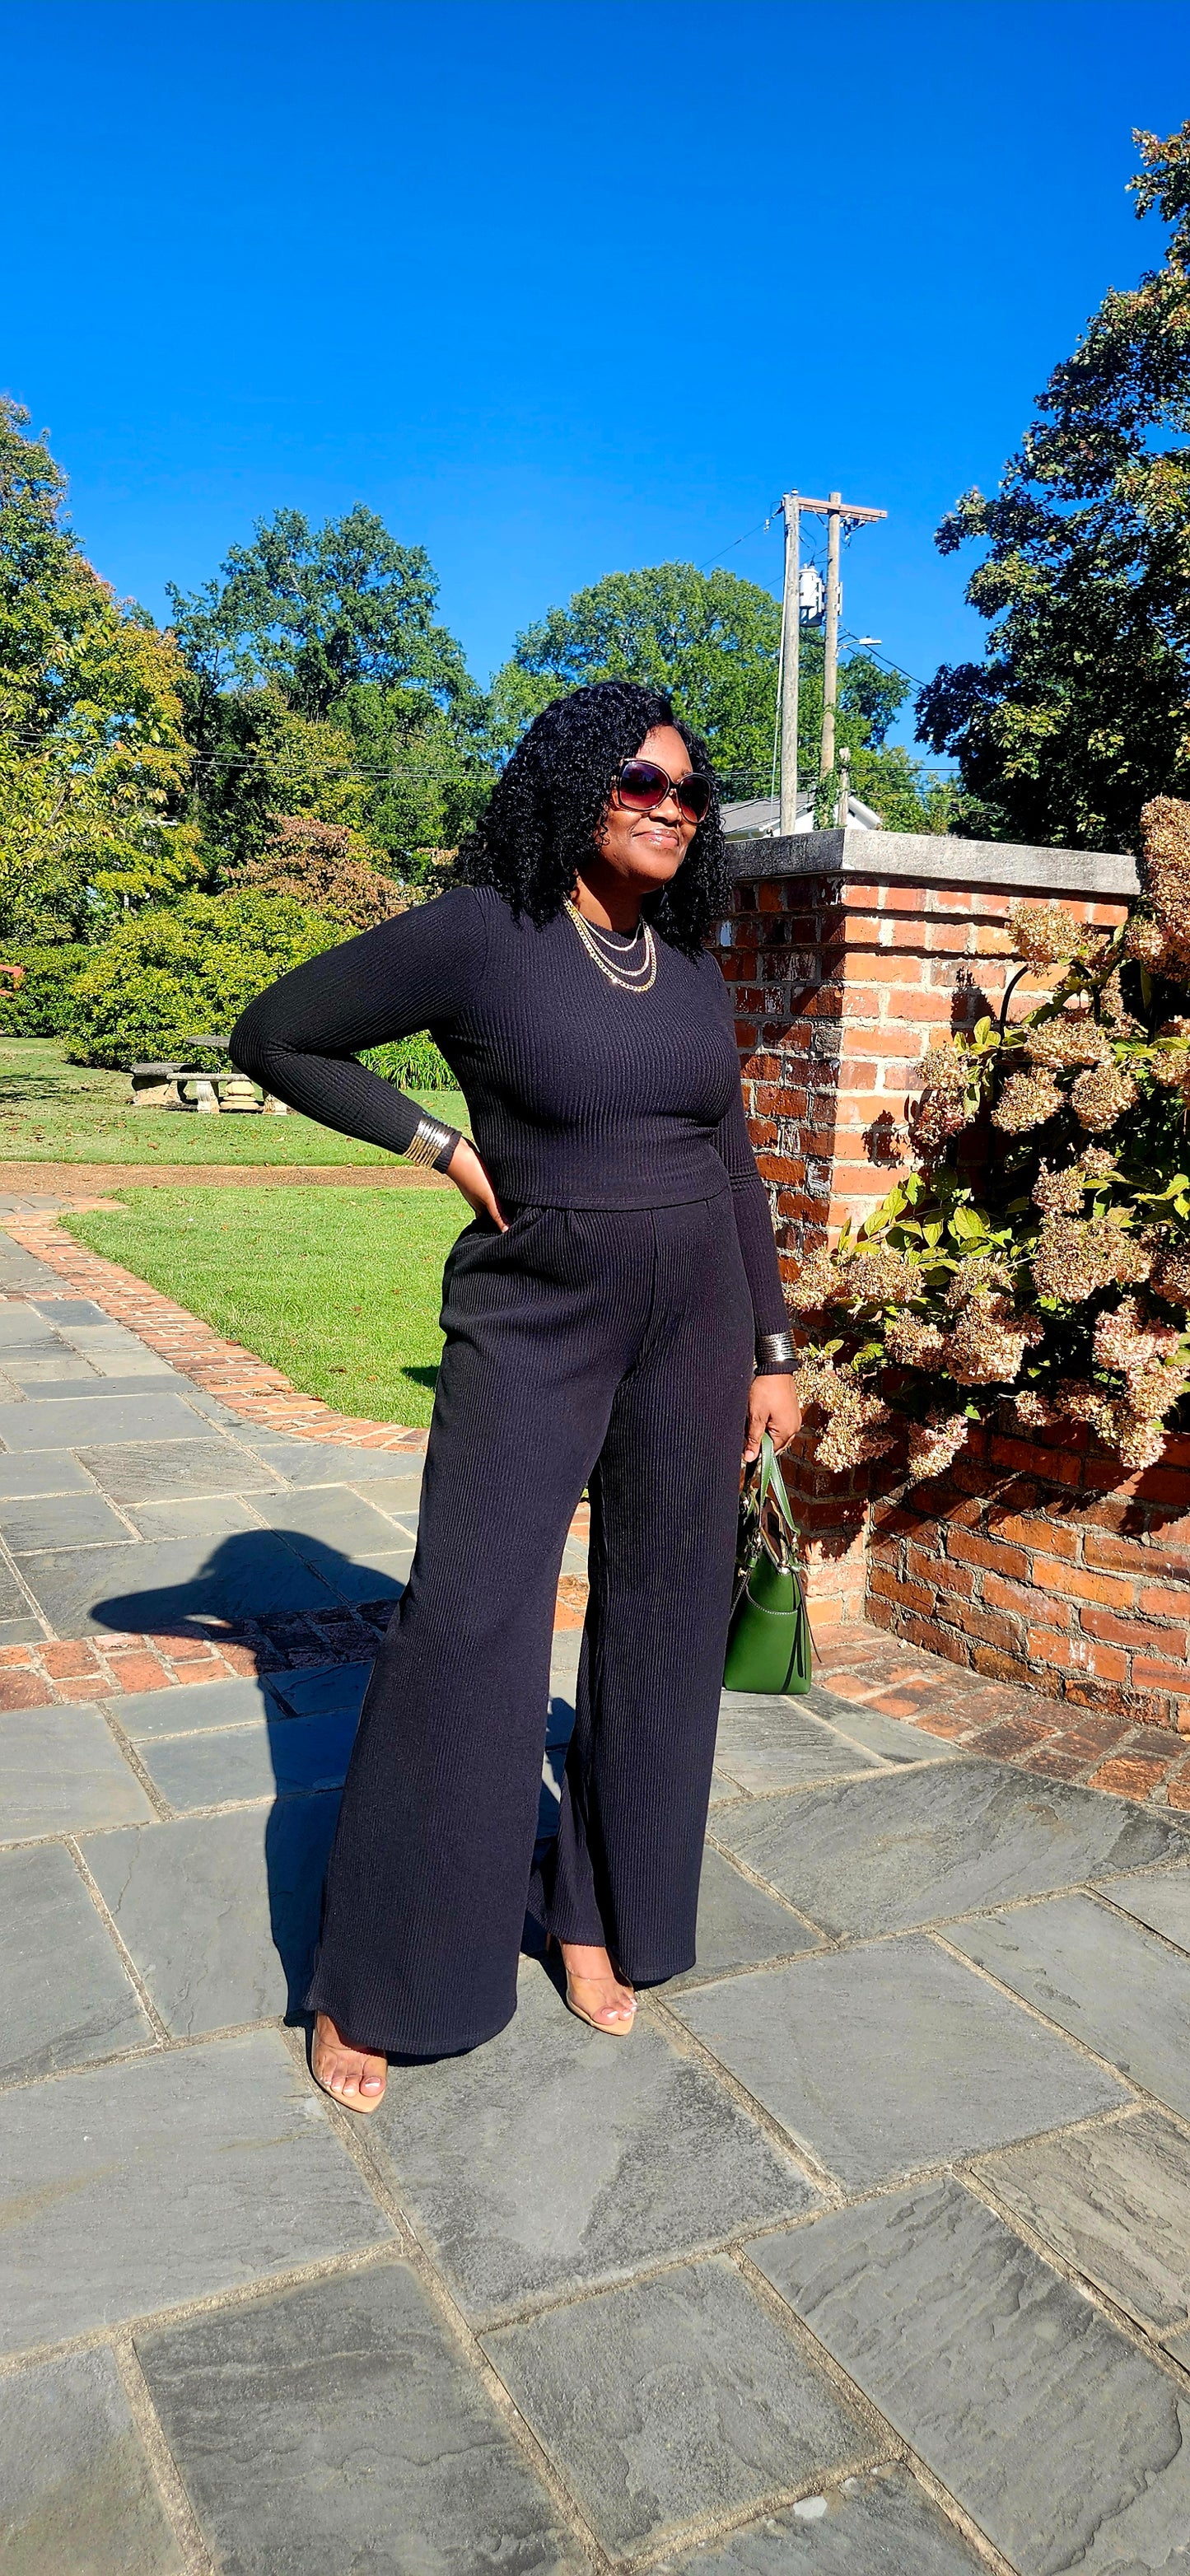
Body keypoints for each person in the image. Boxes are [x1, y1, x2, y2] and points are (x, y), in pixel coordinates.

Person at [231, 679, 800, 2113]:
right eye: (638, 784)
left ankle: (594, 1915)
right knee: (471, 1619)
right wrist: (434, 1141)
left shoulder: (679, 970)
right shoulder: (483, 935)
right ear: (569, 786)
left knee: (664, 1621)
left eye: (687, 792)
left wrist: (774, 1352)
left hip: (697, 1328)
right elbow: (279, 1033)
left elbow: (733, 1162)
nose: (669, 808)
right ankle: (382, 1975)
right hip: (535, 1316)